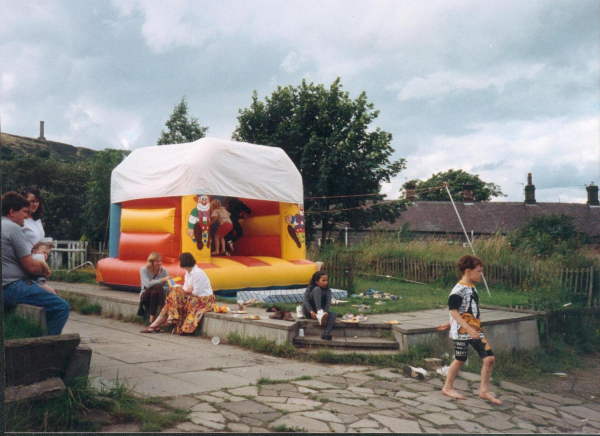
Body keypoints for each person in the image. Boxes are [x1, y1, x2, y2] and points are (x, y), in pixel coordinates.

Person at [2, 192, 70, 336]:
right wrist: (43, 267)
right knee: (61, 307)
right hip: (11, 287)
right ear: (12, 212)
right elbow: (31, 267)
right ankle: (48, 348)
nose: (27, 216)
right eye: (25, 212)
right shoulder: (13, 228)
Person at [437, 255, 502, 405]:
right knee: (460, 359)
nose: (481, 274)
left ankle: (484, 391)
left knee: (489, 358)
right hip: (463, 331)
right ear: (468, 271)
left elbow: (462, 311)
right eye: (479, 271)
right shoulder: (457, 291)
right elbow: (453, 311)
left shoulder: (471, 287)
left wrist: (449, 323)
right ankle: (447, 387)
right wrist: (461, 326)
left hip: (474, 329)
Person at [140, 252, 214, 334]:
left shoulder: (198, 273)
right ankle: (163, 321)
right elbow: (186, 288)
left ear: (184, 262)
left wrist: (187, 290)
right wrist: (185, 289)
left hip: (203, 299)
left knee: (174, 293)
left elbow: (196, 292)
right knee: (174, 292)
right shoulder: (188, 273)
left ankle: (156, 325)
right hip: (192, 297)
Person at [303, 271, 336, 340]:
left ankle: (326, 333)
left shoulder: (328, 290)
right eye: (323, 280)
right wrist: (311, 311)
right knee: (317, 289)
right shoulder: (310, 287)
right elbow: (305, 300)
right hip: (310, 312)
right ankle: (319, 312)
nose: (325, 282)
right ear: (317, 281)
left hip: (321, 314)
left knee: (333, 314)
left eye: (326, 280)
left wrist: (326, 312)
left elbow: (328, 302)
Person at [139, 252, 172, 323]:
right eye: (157, 261)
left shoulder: (164, 271)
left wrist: (155, 283)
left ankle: (152, 319)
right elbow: (147, 285)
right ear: (151, 262)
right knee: (159, 285)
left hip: (158, 294)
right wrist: (161, 280)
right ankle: (164, 312)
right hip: (146, 294)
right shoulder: (144, 270)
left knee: (155, 292)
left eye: (160, 261)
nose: (159, 263)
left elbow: (168, 288)